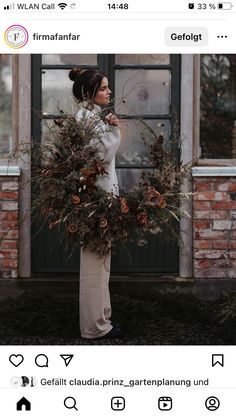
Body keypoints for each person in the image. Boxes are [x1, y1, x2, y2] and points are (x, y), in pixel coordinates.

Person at [69, 68, 121, 339]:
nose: (109, 92)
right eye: (103, 88)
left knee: (101, 263)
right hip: (95, 201)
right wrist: (113, 129)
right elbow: (101, 156)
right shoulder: (87, 118)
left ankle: (103, 320)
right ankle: (95, 327)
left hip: (99, 198)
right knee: (94, 265)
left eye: (107, 87)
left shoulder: (90, 116)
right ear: (89, 93)